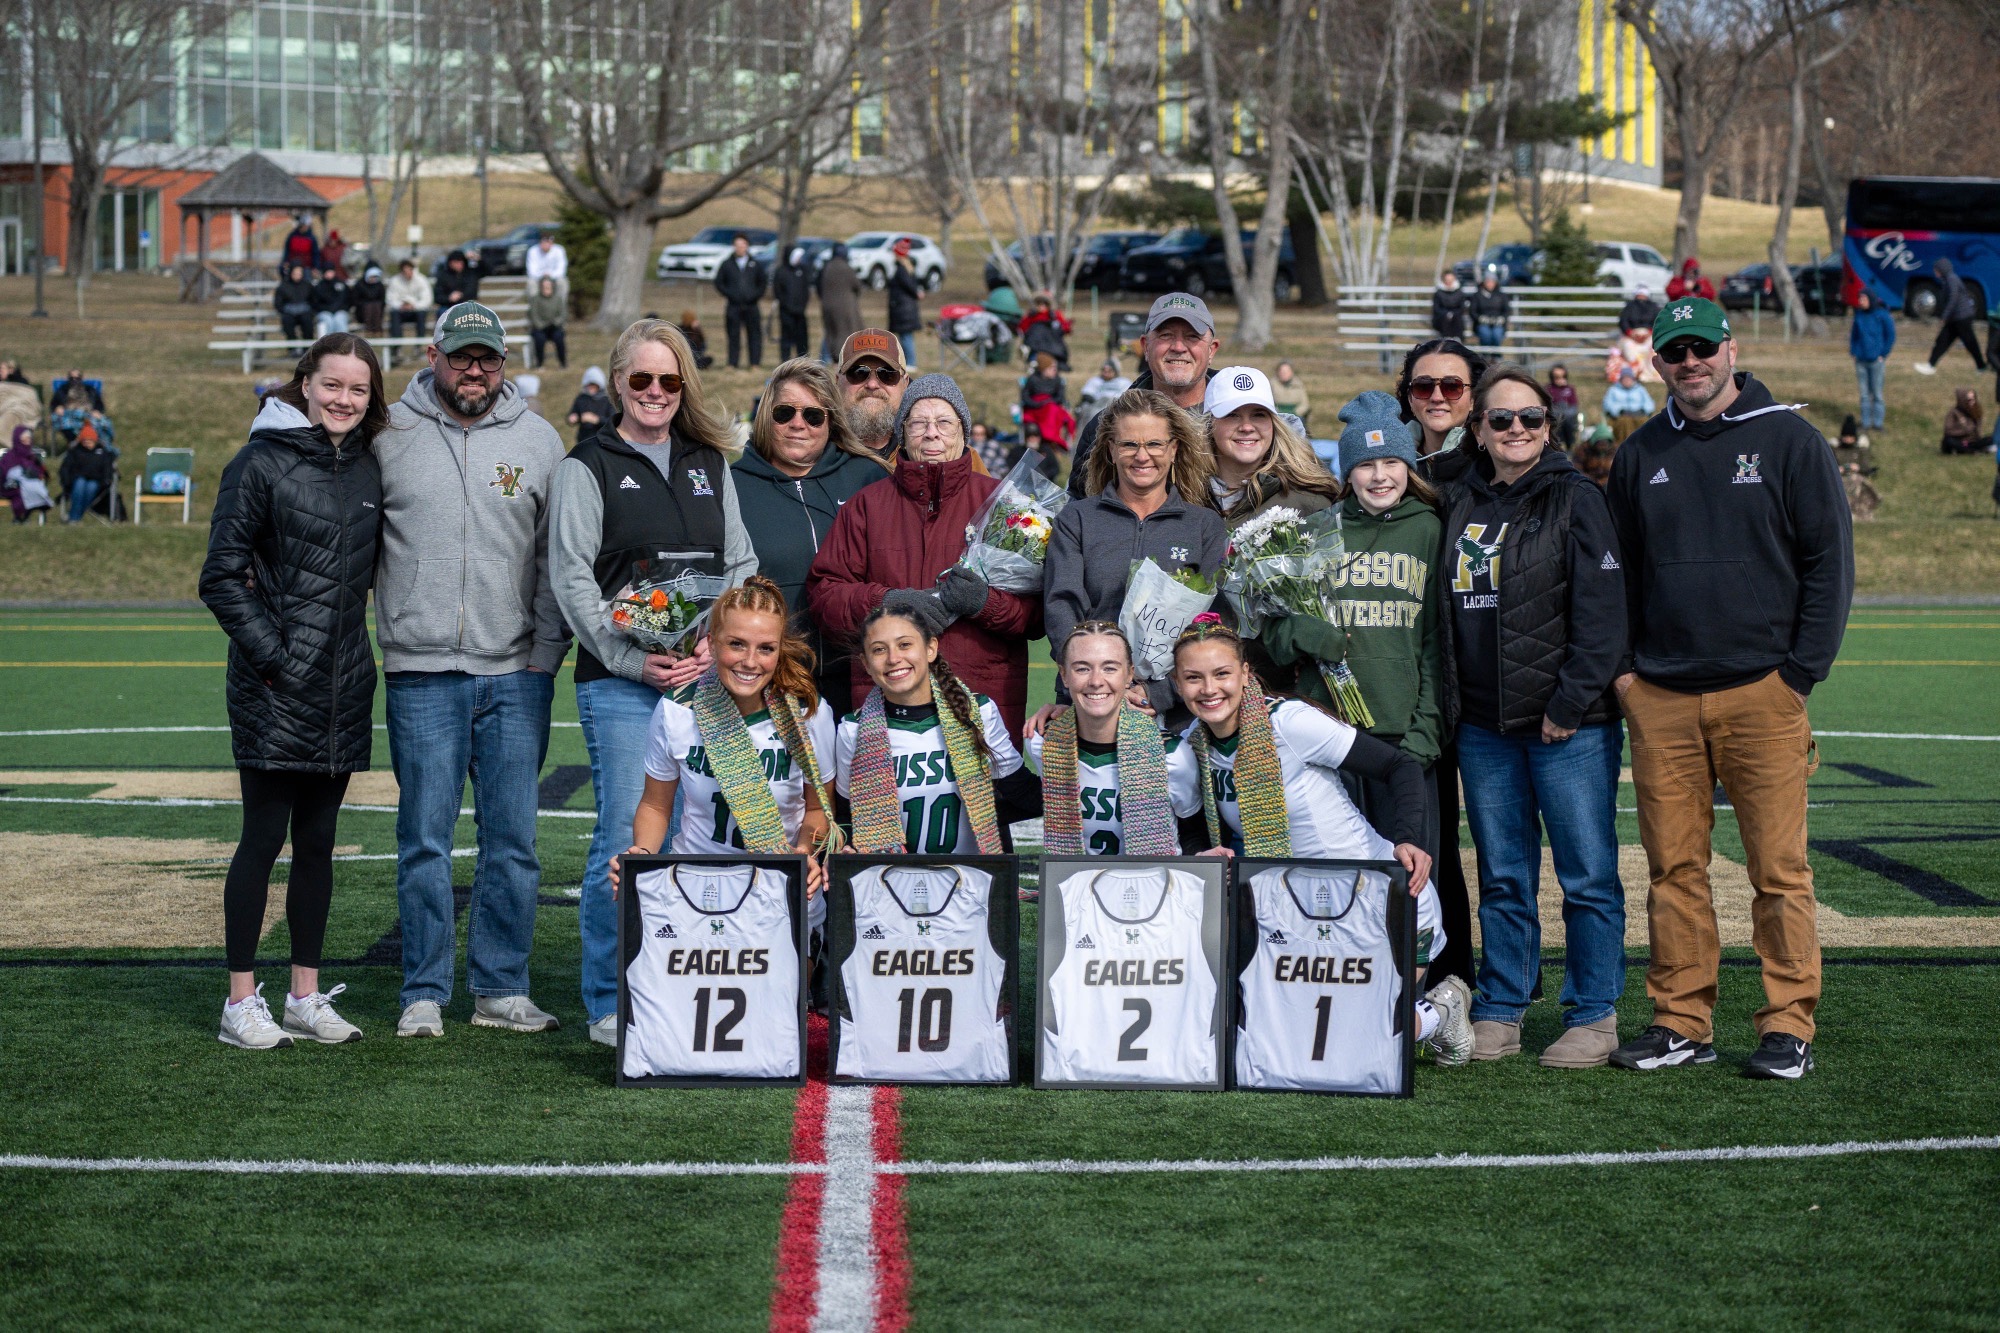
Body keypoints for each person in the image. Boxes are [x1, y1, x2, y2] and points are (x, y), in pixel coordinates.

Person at [1606, 296, 1853, 1080]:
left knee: (1778, 870)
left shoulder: (1789, 438)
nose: (1690, 364)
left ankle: (1788, 1024)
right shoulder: (1641, 453)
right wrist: (1627, 679)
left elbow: (1829, 566)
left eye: (1702, 349)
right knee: (1672, 869)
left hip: (1762, 693)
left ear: (1731, 349)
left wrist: (1797, 676)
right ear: (1657, 362)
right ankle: (1682, 1019)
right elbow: (1620, 576)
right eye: (1674, 352)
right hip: (1664, 699)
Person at [550, 317, 759, 1046]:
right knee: (628, 832)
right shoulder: (587, 465)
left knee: (705, 828)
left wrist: (716, 643)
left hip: (704, 678)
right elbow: (573, 579)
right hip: (622, 682)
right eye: (641, 379)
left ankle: (677, 979)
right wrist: (634, 658)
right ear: (616, 384)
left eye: (669, 381)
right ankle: (610, 1000)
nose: (656, 392)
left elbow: (739, 562)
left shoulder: (708, 459)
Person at [375, 302, 571, 1042]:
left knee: (514, 841)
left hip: (517, 672)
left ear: (505, 359)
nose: (475, 369)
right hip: (420, 671)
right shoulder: (387, 434)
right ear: (434, 354)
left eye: (487, 356)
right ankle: (423, 989)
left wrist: (545, 653)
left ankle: (501, 986)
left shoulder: (540, 439)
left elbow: (558, 556)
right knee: (424, 838)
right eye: (462, 356)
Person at [1435, 365, 1629, 1067]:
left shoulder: (1577, 497)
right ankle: (1502, 1006)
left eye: (1531, 418)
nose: (1517, 429)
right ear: (1478, 429)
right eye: (1500, 419)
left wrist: (1570, 701)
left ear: (1550, 426)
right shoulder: (1460, 498)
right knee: (1504, 874)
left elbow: (1605, 614)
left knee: (1586, 874)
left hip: (1566, 725)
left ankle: (1593, 1012)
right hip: (1485, 726)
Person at [1168, 615, 1470, 1065]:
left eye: (1222, 673)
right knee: (1280, 1047)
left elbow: (1399, 768)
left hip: (1376, 899)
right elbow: (1190, 824)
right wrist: (1200, 852)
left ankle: (1440, 1011)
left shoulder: (1290, 723)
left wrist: (1407, 839)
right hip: (1289, 914)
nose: (1209, 689)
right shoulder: (1193, 744)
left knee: (1358, 1046)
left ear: (1246, 674)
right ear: (1176, 684)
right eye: (1194, 678)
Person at [199, 332, 387, 1049]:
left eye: (358, 389)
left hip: (342, 687)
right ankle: (240, 999)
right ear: (303, 384)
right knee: (262, 836)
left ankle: (305, 995)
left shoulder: (367, 469)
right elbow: (219, 574)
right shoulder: (258, 462)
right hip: (276, 687)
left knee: (318, 841)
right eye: (332, 384)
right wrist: (274, 658)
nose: (343, 399)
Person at [1262, 388, 1444, 901]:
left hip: (1401, 741)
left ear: (1409, 466)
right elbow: (1273, 635)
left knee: (1406, 885)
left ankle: (1409, 982)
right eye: (1366, 464)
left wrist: (1423, 737)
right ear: (1348, 471)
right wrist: (1307, 633)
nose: (1380, 475)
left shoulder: (1428, 528)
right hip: (1329, 737)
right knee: (1336, 886)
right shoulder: (1319, 531)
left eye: (1392, 461)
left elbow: (1434, 643)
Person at [807, 372, 1043, 739]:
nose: (932, 433)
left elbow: (1036, 616)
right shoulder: (865, 506)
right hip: (889, 704)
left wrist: (984, 603)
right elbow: (825, 597)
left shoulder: (1007, 506)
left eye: (944, 422)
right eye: (918, 423)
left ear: (963, 433)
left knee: (985, 798)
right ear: (902, 432)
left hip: (982, 704)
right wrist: (889, 602)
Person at [614, 576, 840, 933]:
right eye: (737, 644)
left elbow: (817, 810)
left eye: (765, 648)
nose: (750, 661)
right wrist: (641, 851)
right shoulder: (677, 711)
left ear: (780, 650)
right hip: (695, 887)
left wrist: (803, 854)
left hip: (779, 884)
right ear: (713, 644)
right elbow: (657, 805)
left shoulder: (809, 714)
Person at [1045, 388, 1227, 717]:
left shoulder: (1205, 526)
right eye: (1130, 444)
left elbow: (1217, 624)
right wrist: (1097, 683)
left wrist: (1159, 692)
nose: (1142, 456)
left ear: (1173, 450)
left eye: (1154, 444)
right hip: (1091, 704)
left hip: (1178, 715)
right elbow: (1062, 610)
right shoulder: (1077, 520)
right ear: (1112, 450)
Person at [732, 356, 889, 707]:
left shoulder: (868, 477)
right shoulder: (732, 485)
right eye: (784, 413)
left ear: (831, 422)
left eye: (813, 415)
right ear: (766, 417)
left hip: (863, 677)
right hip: (770, 680)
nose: (798, 424)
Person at [835, 593, 1041, 855]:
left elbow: (1020, 792)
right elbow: (845, 814)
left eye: (905, 644)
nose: (893, 658)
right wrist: (847, 847)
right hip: (891, 884)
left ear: (930, 648)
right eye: (879, 649)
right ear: (865, 663)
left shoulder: (978, 713)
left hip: (970, 884)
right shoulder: (853, 730)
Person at [1026, 622, 1204, 856]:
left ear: (1129, 674)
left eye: (1109, 668)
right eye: (1082, 669)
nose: (1096, 681)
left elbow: (1194, 832)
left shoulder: (1172, 755)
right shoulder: (1044, 743)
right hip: (1073, 888)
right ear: (1064, 675)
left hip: (1152, 887)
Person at [1068, 292, 1222, 498]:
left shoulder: (1240, 423)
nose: (1178, 347)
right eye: (1165, 335)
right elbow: (1079, 506)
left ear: (1212, 350)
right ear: (1145, 347)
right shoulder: (1105, 426)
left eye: (1192, 336)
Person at [1205, 365, 1341, 527]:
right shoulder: (1183, 494)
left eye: (1259, 415)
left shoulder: (1310, 505)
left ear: (1274, 424)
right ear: (1209, 424)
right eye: (1232, 415)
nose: (1247, 427)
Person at [835, 328, 909, 468]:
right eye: (858, 373)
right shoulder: (816, 453)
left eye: (887, 374)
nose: (872, 384)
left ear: (905, 384)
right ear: (837, 382)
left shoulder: (926, 451)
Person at [1913, 258, 1987, 376]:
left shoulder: (1952, 279)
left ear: (1942, 269)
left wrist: (1945, 316)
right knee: (1943, 341)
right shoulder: (1947, 280)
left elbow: (1953, 299)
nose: (1935, 272)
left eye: (1936, 269)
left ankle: (1981, 366)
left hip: (1961, 317)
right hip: (1956, 318)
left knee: (1970, 342)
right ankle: (1931, 365)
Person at [714, 233, 767, 369]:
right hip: (733, 306)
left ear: (747, 246)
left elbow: (762, 283)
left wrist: (754, 295)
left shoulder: (755, 264)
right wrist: (730, 294)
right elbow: (719, 283)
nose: (740, 248)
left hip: (752, 306)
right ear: (734, 247)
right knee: (733, 335)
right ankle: (732, 363)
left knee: (754, 335)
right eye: (737, 245)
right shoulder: (727, 264)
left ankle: (755, 363)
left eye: (743, 245)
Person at [1847, 290, 1894, 434]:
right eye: (1860, 298)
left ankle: (1878, 423)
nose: (1861, 301)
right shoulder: (1859, 315)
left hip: (1876, 361)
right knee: (1864, 394)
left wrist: (1883, 354)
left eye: (1863, 298)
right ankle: (1865, 423)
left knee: (1877, 393)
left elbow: (1890, 335)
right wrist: (1854, 352)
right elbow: (1854, 335)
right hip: (1861, 360)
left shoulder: (1882, 316)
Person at [58, 421, 115, 522]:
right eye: (85, 440)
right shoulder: (75, 451)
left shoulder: (103, 452)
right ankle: (74, 518)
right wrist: (66, 480)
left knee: (91, 487)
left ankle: (74, 516)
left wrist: (106, 480)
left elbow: (108, 468)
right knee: (80, 485)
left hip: (96, 481)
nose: (87, 443)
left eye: (90, 440)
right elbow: (65, 468)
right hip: (78, 479)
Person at [818, 242, 866, 360]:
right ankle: (843, 357)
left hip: (827, 306)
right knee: (844, 333)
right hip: (845, 307)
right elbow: (857, 286)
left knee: (830, 332)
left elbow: (819, 286)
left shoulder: (827, 268)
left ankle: (825, 358)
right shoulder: (846, 268)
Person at [1020, 351, 1074, 449]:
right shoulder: (1033, 379)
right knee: (1050, 411)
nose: (1054, 370)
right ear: (1044, 369)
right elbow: (1025, 397)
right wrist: (1037, 404)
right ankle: (1049, 438)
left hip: (1051, 406)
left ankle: (1052, 439)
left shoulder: (1057, 380)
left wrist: (1048, 402)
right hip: (1035, 409)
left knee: (1055, 412)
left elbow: (1060, 397)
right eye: (1052, 368)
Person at [886, 239, 924, 370]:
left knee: (906, 337)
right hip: (906, 308)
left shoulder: (901, 270)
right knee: (905, 337)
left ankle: (911, 362)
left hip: (903, 309)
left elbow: (909, 286)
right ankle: (908, 361)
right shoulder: (908, 268)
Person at [2, 425, 51, 522]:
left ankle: (24, 518)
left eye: (29, 437)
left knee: (34, 491)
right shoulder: (9, 457)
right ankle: (20, 518)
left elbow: (42, 472)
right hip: (12, 487)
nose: (28, 440)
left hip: (31, 486)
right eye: (25, 438)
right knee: (22, 494)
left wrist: (37, 473)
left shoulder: (32, 457)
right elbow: (4, 474)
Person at [774, 246, 814, 362]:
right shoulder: (781, 271)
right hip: (786, 312)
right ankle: (785, 361)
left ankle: (803, 362)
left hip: (800, 312)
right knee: (786, 338)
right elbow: (778, 292)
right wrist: (787, 305)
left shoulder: (803, 270)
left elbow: (806, 290)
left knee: (802, 339)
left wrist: (802, 305)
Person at [386, 259, 432, 351]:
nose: (408, 273)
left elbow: (427, 299)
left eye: (410, 270)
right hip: (401, 311)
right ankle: (396, 347)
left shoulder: (421, 280)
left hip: (417, 310)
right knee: (394, 314)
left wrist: (413, 305)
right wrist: (401, 306)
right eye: (405, 271)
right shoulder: (395, 281)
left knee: (421, 314)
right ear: (401, 271)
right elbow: (390, 299)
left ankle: (419, 346)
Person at [1602, 367, 1656, 443]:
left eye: (1629, 378)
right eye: (1625, 378)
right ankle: (1625, 444)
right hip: (1621, 416)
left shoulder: (1640, 389)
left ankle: (1643, 444)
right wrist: (1619, 411)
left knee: (1643, 422)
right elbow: (1607, 404)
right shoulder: (1613, 390)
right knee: (1625, 422)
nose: (1627, 380)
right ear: (1621, 379)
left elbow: (1649, 402)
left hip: (1638, 414)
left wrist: (1643, 410)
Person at [1021, 292, 1073, 369]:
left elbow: (1064, 327)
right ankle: (1033, 360)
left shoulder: (1055, 315)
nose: (1042, 306)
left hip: (1051, 343)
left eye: (1044, 304)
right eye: (1039, 303)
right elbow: (1022, 327)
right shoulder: (1032, 315)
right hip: (1035, 342)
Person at [566, 365, 614, 447]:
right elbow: (573, 413)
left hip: (602, 440)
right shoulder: (581, 398)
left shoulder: (607, 400)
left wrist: (597, 420)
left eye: (594, 385)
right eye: (589, 385)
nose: (591, 388)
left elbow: (613, 421)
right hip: (583, 439)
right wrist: (572, 418)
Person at [528, 276, 568, 369]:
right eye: (544, 286)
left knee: (559, 338)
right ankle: (540, 364)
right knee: (539, 339)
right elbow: (533, 315)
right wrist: (540, 325)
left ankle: (563, 363)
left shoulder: (558, 299)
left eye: (548, 286)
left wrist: (556, 322)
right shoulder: (535, 299)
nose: (546, 288)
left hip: (554, 327)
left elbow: (563, 314)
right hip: (540, 328)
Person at [273, 264, 316, 343]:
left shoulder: (307, 285)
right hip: (289, 314)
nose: (297, 275)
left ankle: (308, 347)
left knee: (307, 321)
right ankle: (293, 348)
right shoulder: (283, 286)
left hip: (305, 313)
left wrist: (310, 310)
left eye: (299, 272)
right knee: (287, 321)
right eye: (295, 272)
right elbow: (278, 303)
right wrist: (286, 309)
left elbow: (314, 301)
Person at [433, 250, 481, 318]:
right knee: (442, 312)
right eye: (456, 262)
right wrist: (449, 298)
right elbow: (438, 296)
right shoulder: (443, 276)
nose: (459, 265)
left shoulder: (471, 274)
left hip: (468, 304)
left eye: (460, 262)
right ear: (450, 263)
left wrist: (477, 258)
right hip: (449, 306)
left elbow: (488, 270)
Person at [1470, 271, 1510, 348]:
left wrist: (1501, 319)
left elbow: (1506, 311)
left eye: (1492, 281)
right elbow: (1472, 311)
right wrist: (1480, 318)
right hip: (1481, 324)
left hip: (1498, 323)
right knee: (1485, 333)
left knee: (1497, 334)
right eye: (1488, 281)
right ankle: (1485, 355)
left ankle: (1496, 355)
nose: (1490, 284)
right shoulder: (1477, 295)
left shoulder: (1502, 295)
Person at [1572, 421, 1618, 486]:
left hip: (1608, 483)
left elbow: (1619, 472)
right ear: (1594, 441)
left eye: (1605, 443)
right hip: (1587, 483)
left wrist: (1604, 481)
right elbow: (1577, 468)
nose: (1603, 446)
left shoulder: (1614, 451)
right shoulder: (1584, 449)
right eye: (1600, 443)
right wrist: (1590, 480)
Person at [1942, 387, 1986, 454]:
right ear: (1962, 400)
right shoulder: (1953, 413)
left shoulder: (1976, 411)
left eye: (1973, 399)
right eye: (1969, 400)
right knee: (1948, 441)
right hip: (1960, 441)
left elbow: (1977, 430)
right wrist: (1965, 431)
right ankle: (1970, 451)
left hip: (1971, 441)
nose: (1972, 402)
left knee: (1991, 438)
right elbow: (1948, 431)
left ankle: (1972, 449)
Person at [311, 265, 352, 337]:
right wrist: (328, 309)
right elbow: (316, 303)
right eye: (327, 272)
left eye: (331, 271)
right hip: (324, 312)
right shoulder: (319, 287)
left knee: (339, 320)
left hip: (340, 311)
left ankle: (343, 345)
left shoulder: (342, 284)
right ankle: (328, 345)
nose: (329, 274)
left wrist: (338, 309)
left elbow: (347, 300)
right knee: (327, 321)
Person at [1270, 359, 1311, 430]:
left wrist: (1296, 413)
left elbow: (1305, 404)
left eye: (1286, 371)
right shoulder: (1272, 385)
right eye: (1282, 371)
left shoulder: (1299, 385)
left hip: (1296, 415)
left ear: (1291, 372)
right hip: (1277, 415)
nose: (1284, 373)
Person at [1547, 363, 1580, 448]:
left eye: (1563, 376)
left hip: (1568, 416)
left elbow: (1574, 405)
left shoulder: (1570, 389)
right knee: (1558, 423)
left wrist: (1566, 413)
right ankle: (1557, 444)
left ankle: (1570, 445)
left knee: (1568, 422)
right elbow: (1548, 406)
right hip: (1555, 416)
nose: (1560, 379)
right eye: (1557, 377)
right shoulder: (1549, 389)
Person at [1431, 271, 1471, 340]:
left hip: (1457, 319)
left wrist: (1453, 314)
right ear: (1443, 280)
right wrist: (1446, 314)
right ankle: (1445, 340)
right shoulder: (1438, 293)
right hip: (1442, 319)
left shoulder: (1459, 292)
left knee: (1457, 319)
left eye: (1451, 280)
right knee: (1445, 319)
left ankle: (1458, 340)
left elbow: (1462, 308)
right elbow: (1436, 308)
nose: (1449, 282)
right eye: (1447, 280)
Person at [351, 264, 387, 336]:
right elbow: (355, 300)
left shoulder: (379, 285)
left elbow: (382, 301)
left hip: (377, 312)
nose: (373, 279)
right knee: (369, 305)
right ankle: (370, 329)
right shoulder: (359, 285)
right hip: (361, 314)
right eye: (372, 276)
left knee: (376, 305)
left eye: (375, 276)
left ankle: (376, 329)